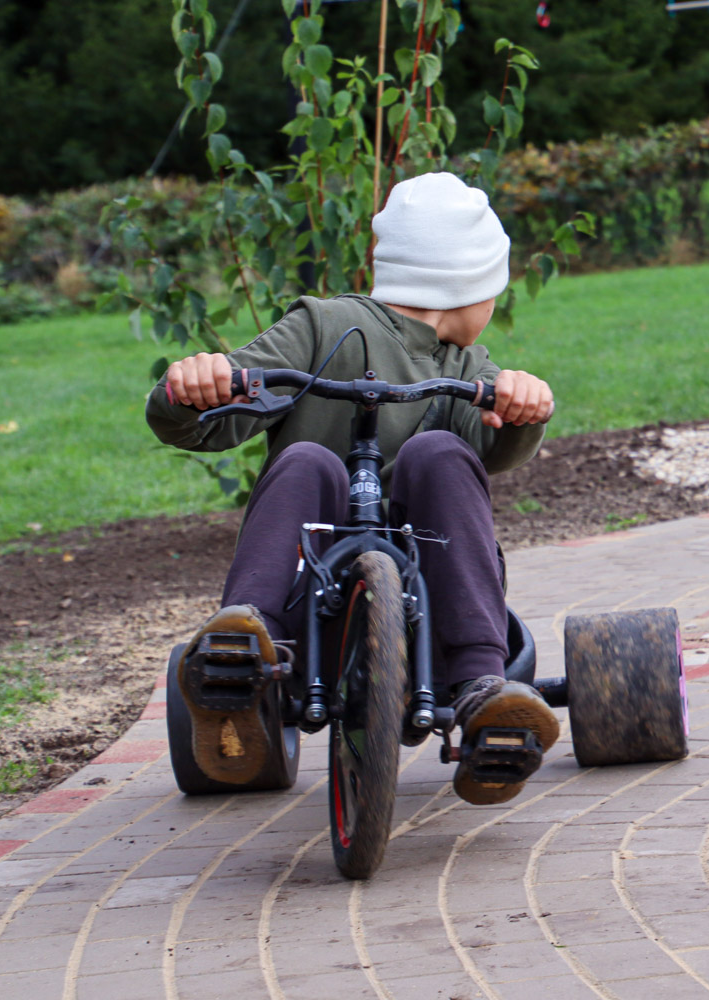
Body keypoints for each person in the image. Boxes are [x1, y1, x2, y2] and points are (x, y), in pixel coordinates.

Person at [146, 171, 559, 805]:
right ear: (472, 286)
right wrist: (196, 387)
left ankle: (483, 686)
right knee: (309, 461)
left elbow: (491, 452)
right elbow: (218, 408)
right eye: (493, 294)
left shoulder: (469, 371)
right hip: (306, 589)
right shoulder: (323, 326)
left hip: (430, 597)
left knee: (440, 454)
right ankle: (245, 647)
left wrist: (520, 411)